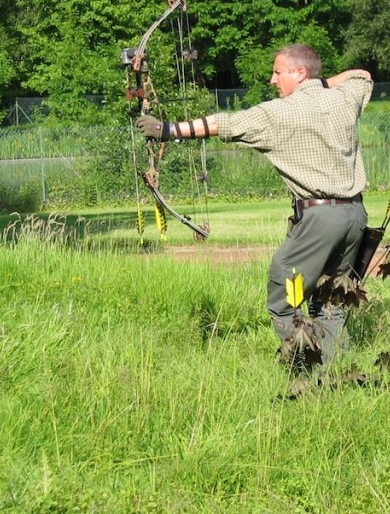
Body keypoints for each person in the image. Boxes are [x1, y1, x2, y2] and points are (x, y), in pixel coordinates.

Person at [136, 44, 373, 361]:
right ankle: (335, 370)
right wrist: (319, 86)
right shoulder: (345, 99)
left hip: (319, 222)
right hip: (355, 218)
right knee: (331, 299)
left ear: (299, 73)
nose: (273, 80)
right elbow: (361, 76)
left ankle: (305, 364)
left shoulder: (279, 112)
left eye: (278, 72)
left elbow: (224, 124)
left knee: (283, 295)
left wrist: (166, 130)